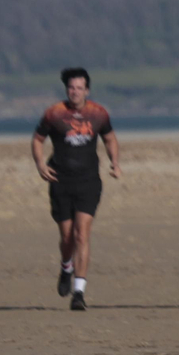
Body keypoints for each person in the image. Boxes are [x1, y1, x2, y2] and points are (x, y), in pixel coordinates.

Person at [31, 67, 121, 311]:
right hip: (60, 181)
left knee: (82, 234)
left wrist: (114, 162)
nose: (75, 92)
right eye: (71, 87)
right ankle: (65, 266)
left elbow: (110, 138)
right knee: (67, 237)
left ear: (87, 90)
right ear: (66, 89)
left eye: (79, 88)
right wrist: (40, 164)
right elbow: (37, 140)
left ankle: (79, 293)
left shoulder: (98, 113)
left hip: (89, 181)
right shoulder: (54, 113)